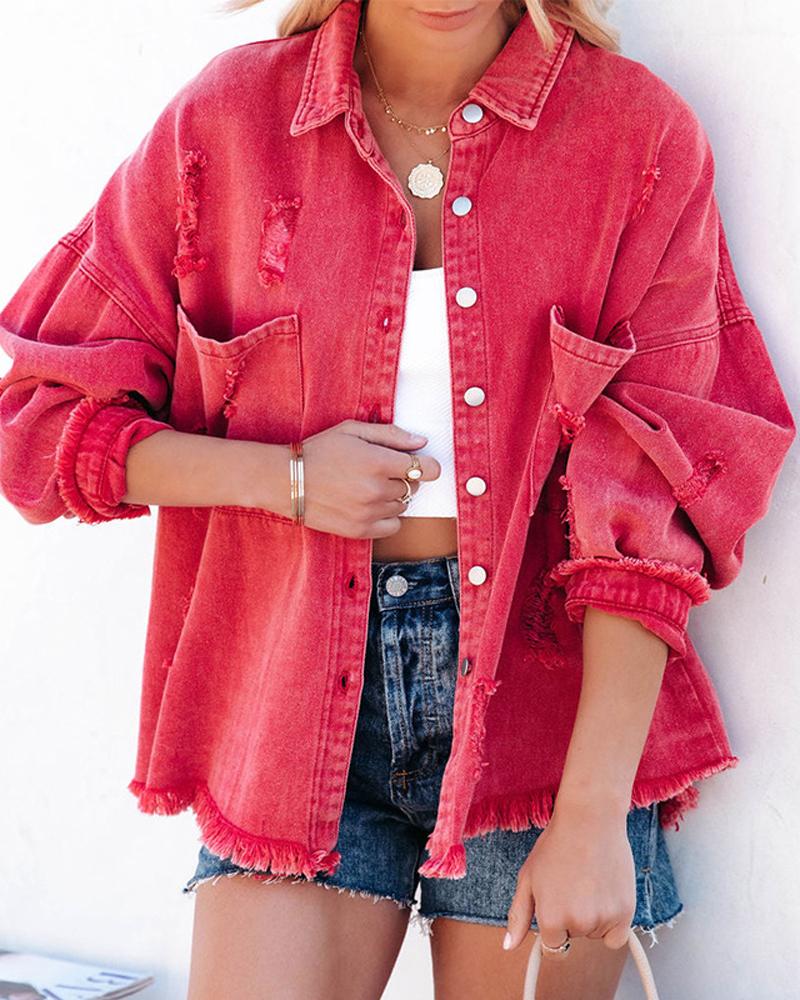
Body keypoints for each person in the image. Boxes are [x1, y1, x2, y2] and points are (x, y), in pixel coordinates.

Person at [0, 1, 794, 997]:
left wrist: (592, 816)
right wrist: (286, 478)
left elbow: (658, 500)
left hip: (544, 712)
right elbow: (38, 419)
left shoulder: (632, 134)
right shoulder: (230, 120)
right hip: (291, 698)